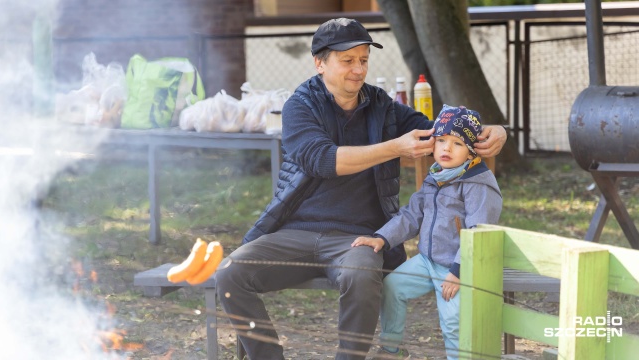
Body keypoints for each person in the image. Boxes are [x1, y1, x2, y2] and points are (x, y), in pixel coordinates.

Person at [215, 18, 507, 360]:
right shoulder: (299, 106)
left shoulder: (381, 105)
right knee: (230, 274)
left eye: (364, 60)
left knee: (362, 272)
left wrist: (494, 129)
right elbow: (322, 160)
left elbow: (439, 131)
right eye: (348, 60)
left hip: (359, 237)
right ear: (320, 63)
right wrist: (394, 148)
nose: (358, 69)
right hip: (295, 231)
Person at [353, 105, 503, 360]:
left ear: (471, 150)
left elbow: (480, 233)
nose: (446, 148)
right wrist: (382, 237)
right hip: (427, 261)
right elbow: (412, 214)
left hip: (460, 267)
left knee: (453, 321)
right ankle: (391, 350)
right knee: (392, 287)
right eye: (441, 140)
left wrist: (458, 272)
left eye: (457, 143)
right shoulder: (437, 177)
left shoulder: (478, 183)